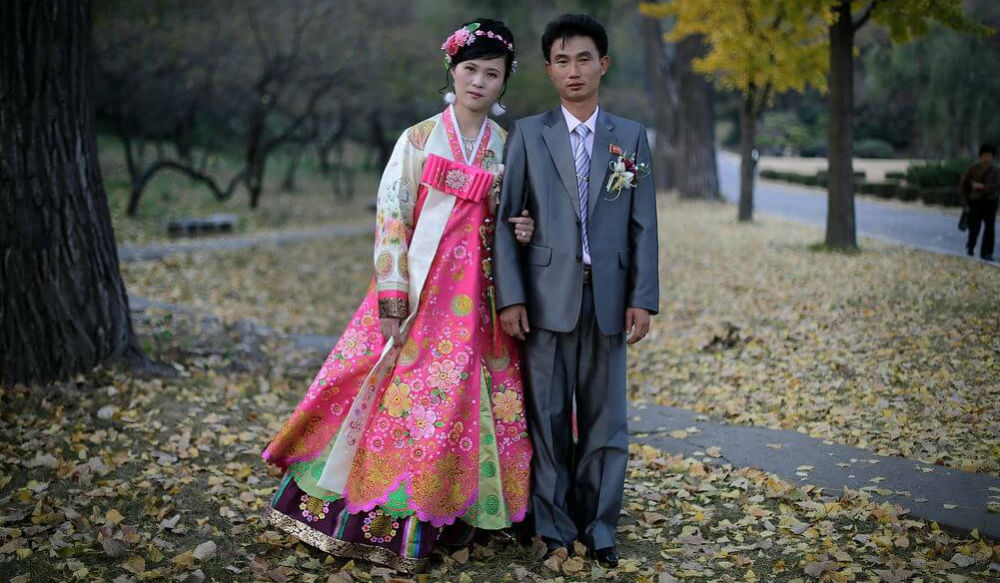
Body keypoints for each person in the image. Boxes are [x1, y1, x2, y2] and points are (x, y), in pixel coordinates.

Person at [260, 19, 535, 572]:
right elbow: (392, 216)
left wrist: (523, 229)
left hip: (479, 300)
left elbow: (511, 221)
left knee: (459, 404)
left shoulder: (508, 146)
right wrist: (393, 297)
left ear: (505, 82)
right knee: (403, 397)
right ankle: (374, 514)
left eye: (492, 74)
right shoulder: (418, 139)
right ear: (452, 71)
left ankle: (453, 514)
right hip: (420, 292)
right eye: (470, 70)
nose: (478, 82)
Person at [493, 13, 660, 569]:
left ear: (603, 64)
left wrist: (643, 297)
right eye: (562, 61)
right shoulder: (528, 134)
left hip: (609, 298)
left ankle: (601, 526)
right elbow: (507, 221)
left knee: (606, 420)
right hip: (545, 300)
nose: (574, 71)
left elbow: (642, 223)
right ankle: (554, 527)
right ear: (548, 70)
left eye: (584, 59)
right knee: (547, 420)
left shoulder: (629, 137)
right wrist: (511, 297)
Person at [960, 143, 999, 261]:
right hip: (975, 201)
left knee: (990, 228)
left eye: (989, 156)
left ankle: (986, 253)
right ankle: (971, 246)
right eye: (985, 156)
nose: (987, 159)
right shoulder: (973, 169)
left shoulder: (996, 171)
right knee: (974, 226)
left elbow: (996, 186)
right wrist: (965, 203)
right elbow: (964, 185)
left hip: (990, 201)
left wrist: (983, 187)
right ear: (980, 156)